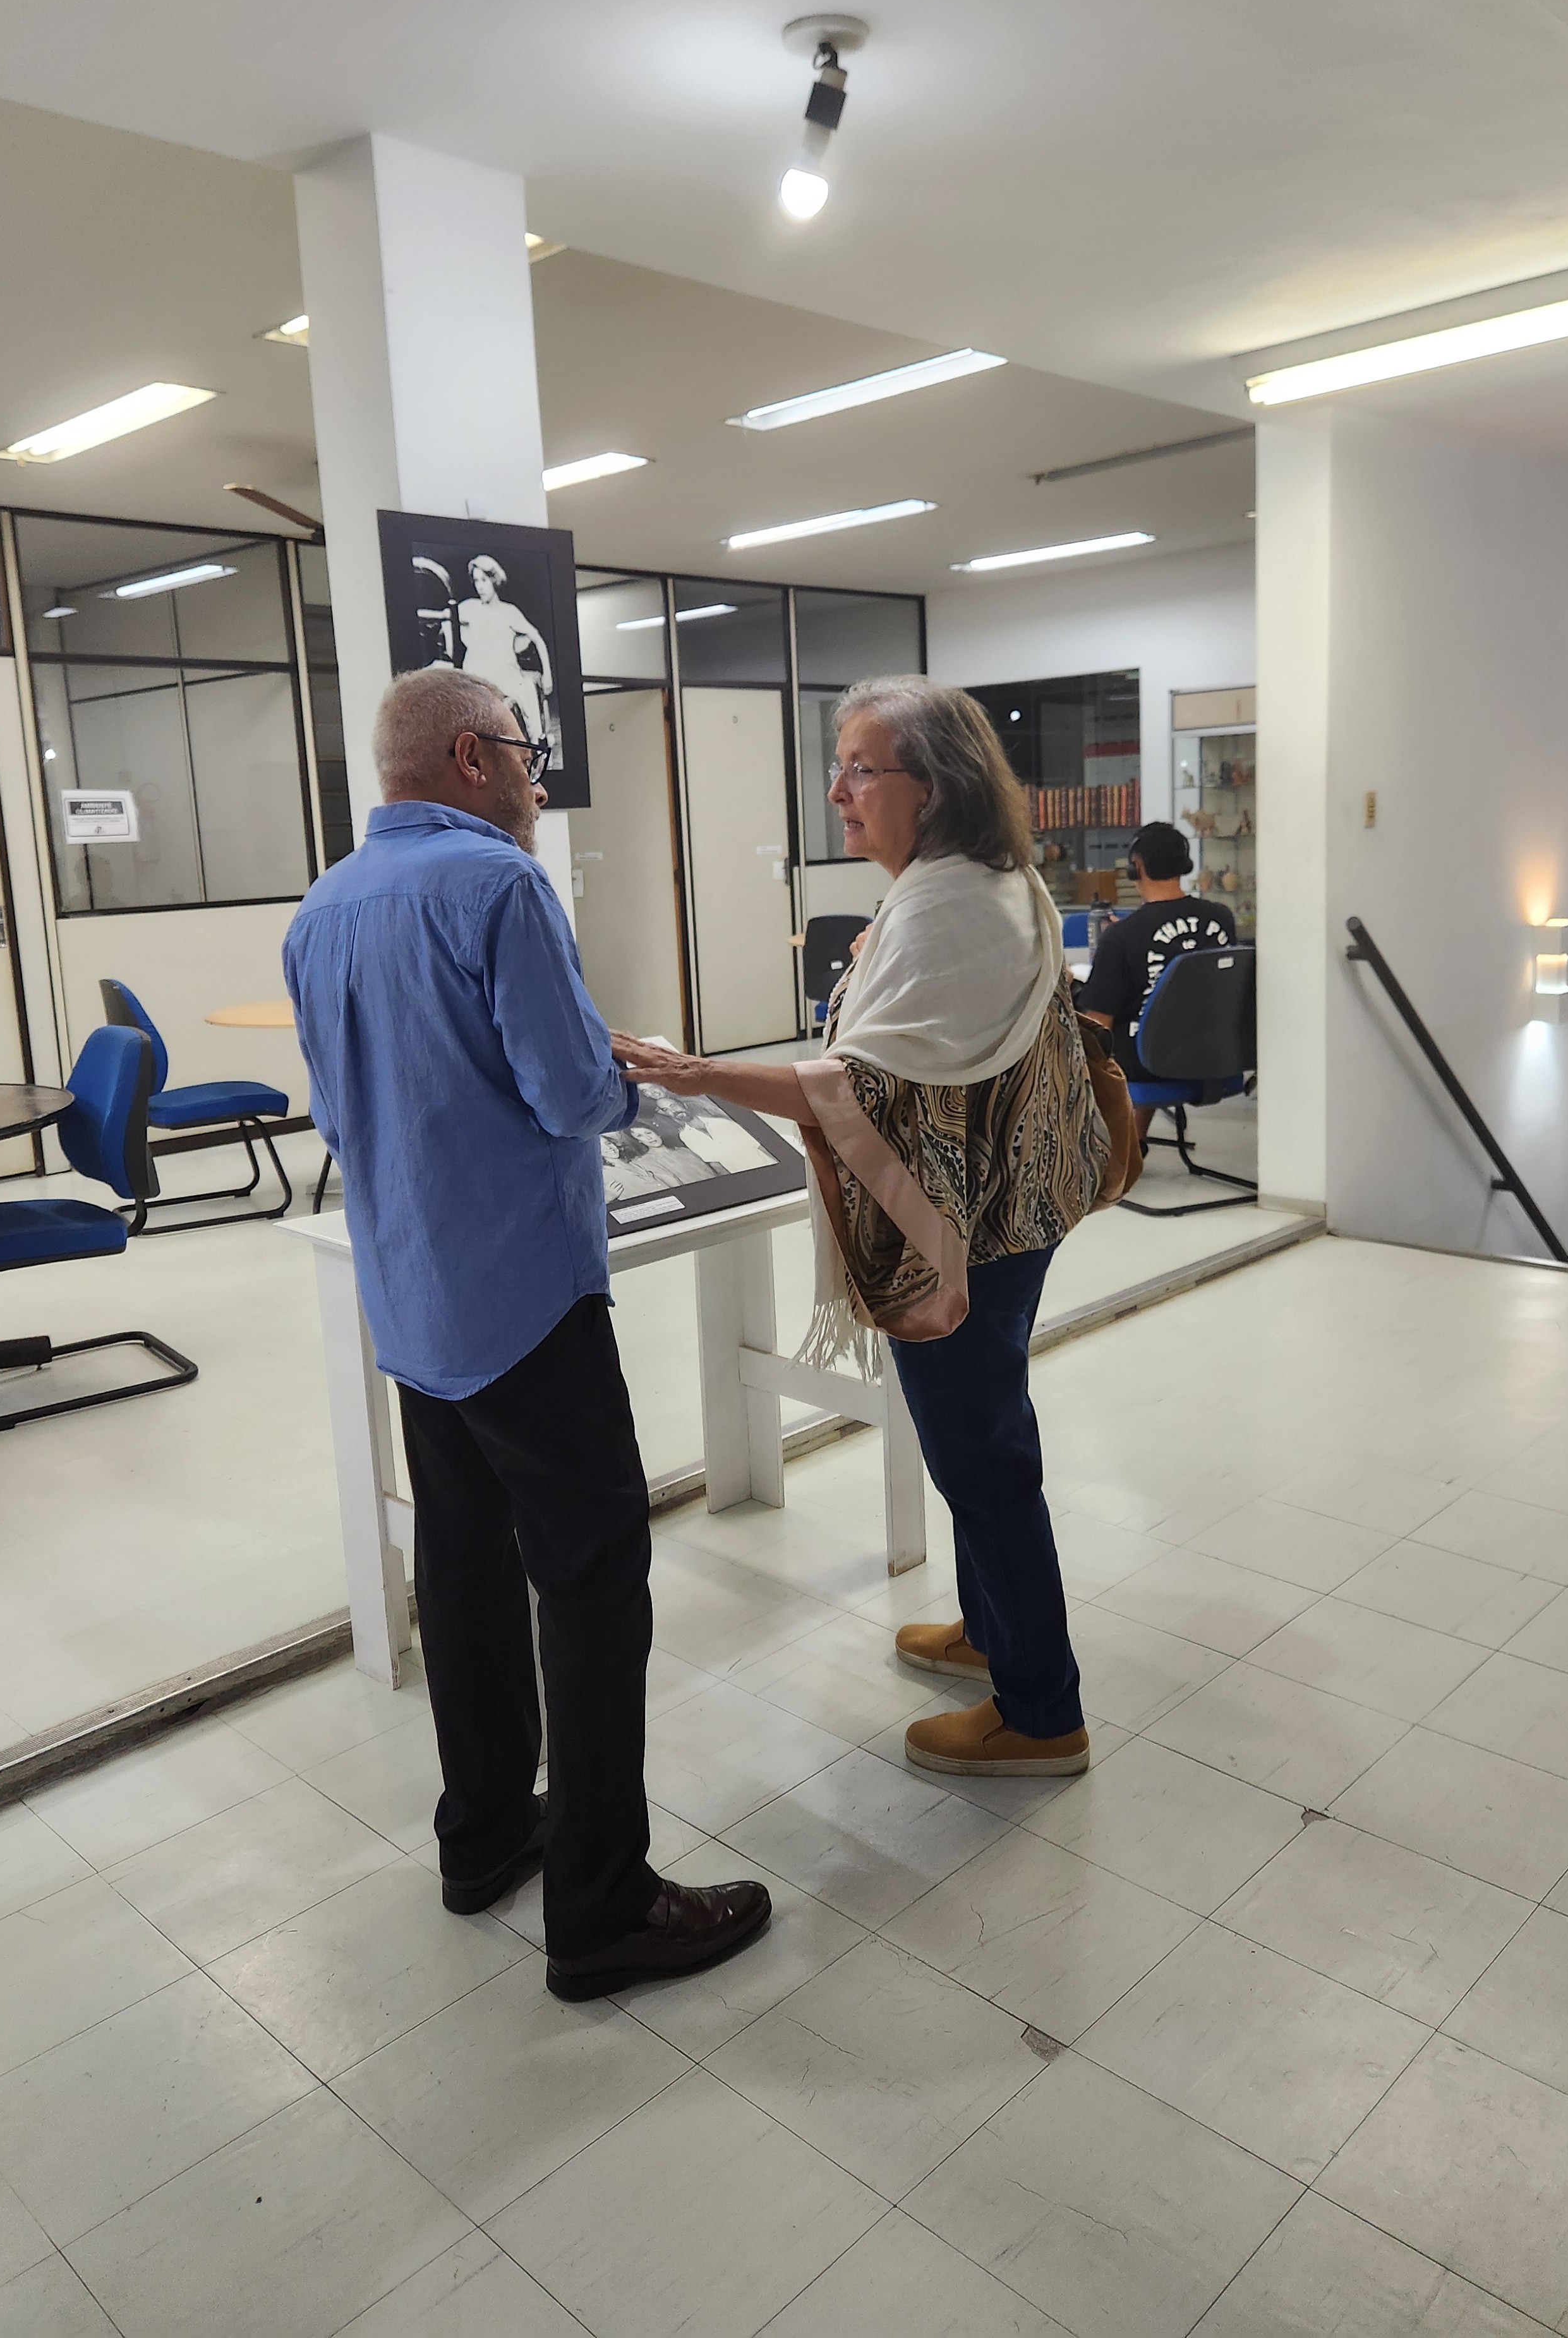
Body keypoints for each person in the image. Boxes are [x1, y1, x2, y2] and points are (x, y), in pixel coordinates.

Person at [283, 664, 768, 2000]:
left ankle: (486, 1829)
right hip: (527, 1302)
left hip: (415, 1297)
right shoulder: (500, 885)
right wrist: (628, 1073)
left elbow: (337, 1110)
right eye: (524, 751)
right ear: (469, 756)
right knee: (594, 1575)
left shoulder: (323, 905)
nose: (538, 780)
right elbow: (566, 1096)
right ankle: (604, 1904)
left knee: (465, 1566)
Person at [615, 677, 1107, 1778]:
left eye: (860, 769)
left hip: (970, 1227)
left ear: (932, 786)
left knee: (981, 1457)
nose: (837, 792)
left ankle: (1042, 1715)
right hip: (1007, 1206)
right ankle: (993, 1634)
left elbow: (867, 1085)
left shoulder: (947, 906)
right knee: (981, 1439)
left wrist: (698, 1073)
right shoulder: (978, 878)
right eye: (836, 767)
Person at [1077, 819, 1237, 1136]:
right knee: (1153, 1012)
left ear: (1136, 867)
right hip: (1216, 1057)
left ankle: (1109, 1146)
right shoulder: (1222, 917)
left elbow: (1097, 1028)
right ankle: (1136, 1141)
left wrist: (1113, 955)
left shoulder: (1122, 937)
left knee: (1092, 1027)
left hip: (1150, 1063)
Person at [457, 555, 555, 746]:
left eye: (484, 580)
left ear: (494, 580)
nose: (480, 587)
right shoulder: (469, 607)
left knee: (528, 689)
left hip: (504, 676)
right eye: (476, 581)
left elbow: (537, 638)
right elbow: (445, 617)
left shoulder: (509, 612)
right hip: (477, 676)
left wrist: (548, 675)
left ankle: (537, 746)